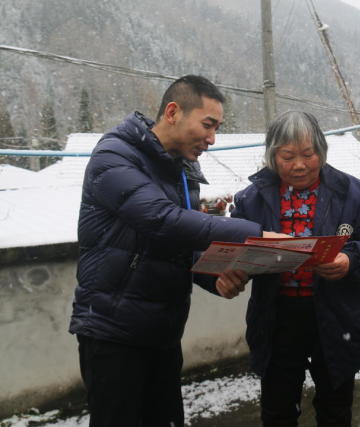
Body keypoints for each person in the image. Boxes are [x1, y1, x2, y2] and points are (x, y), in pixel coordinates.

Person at [69, 75, 285, 426]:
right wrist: (256, 234)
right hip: (113, 331)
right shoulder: (115, 155)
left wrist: (213, 277)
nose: (212, 139)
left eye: (217, 128)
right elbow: (163, 221)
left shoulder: (180, 173)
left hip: (162, 331)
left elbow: (176, 246)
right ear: (173, 112)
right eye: (208, 125)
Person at [228, 111, 360, 426]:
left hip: (338, 316)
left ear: (322, 151)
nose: (299, 165)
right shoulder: (251, 200)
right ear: (272, 156)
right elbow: (235, 251)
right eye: (287, 156)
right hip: (277, 319)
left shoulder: (355, 194)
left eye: (308, 154)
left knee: (335, 409)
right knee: (277, 410)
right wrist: (231, 273)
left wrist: (351, 260)